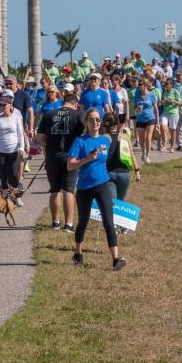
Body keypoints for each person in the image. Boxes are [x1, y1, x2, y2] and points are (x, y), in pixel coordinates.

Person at [67, 109, 126, 271]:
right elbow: (70, 164)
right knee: (83, 223)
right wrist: (87, 159)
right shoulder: (80, 141)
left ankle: (116, 259)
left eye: (98, 120)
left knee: (109, 221)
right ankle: (78, 253)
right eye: (92, 120)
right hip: (85, 188)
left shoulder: (105, 140)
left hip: (103, 184)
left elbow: (117, 134)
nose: (96, 123)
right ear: (86, 123)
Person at [36, 90, 84, 231]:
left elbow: (39, 138)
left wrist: (48, 143)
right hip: (71, 156)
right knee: (68, 190)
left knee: (54, 189)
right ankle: (68, 224)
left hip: (52, 156)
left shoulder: (49, 114)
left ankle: (55, 222)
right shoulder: (78, 115)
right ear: (75, 104)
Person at [0, 92, 26, 199]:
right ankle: (5, 198)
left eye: (4, 105)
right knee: (2, 176)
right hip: (0, 150)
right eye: (0, 105)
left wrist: (22, 147)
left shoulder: (15, 117)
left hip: (13, 150)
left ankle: (15, 197)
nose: (2, 107)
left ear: (10, 105)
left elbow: (20, 134)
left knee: (13, 175)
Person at [101, 113, 140, 201]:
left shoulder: (105, 138)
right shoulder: (125, 137)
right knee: (121, 202)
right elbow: (132, 154)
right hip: (124, 174)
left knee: (112, 202)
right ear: (117, 123)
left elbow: (101, 157)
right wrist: (137, 171)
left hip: (109, 172)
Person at [132, 81, 159, 163]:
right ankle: (143, 151)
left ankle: (147, 155)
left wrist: (157, 122)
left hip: (150, 118)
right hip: (140, 119)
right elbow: (135, 108)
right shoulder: (137, 95)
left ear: (145, 85)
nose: (139, 86)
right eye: (138, 85)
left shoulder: (151, 95)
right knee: (141, 140)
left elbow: (156, 109)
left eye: (140, 84)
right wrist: (137, 108)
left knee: (148, 137)